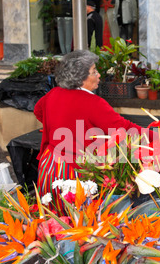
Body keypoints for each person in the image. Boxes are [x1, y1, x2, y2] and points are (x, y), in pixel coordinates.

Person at [34, 50, 152, 213]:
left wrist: (59, 126)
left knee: (54, 217)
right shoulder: (93, 102)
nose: (98, 76)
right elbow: (124, 128)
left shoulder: (53, 93)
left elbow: (38, 111)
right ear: (80, 78)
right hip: (74, 169)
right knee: (78, 219)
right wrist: (157, 136)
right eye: (94, 72)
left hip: (51, 166)